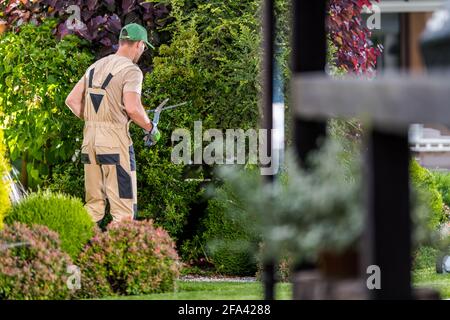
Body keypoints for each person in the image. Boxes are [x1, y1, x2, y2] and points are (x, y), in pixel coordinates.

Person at [65, 23, 159, 225]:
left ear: (121, 42)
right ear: (139, 44)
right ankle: (115, 256)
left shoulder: (95, 66)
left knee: (93, 207)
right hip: (115, 146)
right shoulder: (132, 71)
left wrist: (96, 120)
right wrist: (151, 128)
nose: (142, 51)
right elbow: (133, 109)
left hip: (89, 144)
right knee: (123, 212)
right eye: (143, 47)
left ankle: (79, 252)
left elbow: (72, 100)